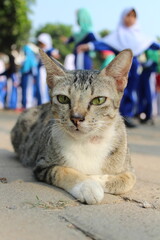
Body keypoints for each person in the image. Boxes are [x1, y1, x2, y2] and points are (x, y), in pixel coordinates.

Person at [77, 7, 160, 127]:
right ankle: (117, 115)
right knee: (118, 91)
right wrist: (88, 46)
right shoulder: (117, 35)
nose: (130, 19)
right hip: (118, 68)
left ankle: (127, 116)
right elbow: (102, 43)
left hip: (134, 67)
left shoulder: (140, 37)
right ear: (123, 17)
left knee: (131, 90)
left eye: (133, 16)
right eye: (128, 15)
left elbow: (153, 45)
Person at [37, 33, 60, 104]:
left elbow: (56, 55)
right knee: (42, 88)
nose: (40, 44)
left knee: (48, 87)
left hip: (46, 70)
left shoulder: (49, 50)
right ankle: (44, 102)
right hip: (42, 70)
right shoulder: (42, 50)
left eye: (41, 42)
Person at [20, 45, 38, 109]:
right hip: (24, 76)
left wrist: (34, 78)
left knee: (28, 90)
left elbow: (33, 69)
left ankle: (27, 106)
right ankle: (24, 105)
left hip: (29, 76)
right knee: (24, 90)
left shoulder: (31, 57)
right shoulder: (26, 57)